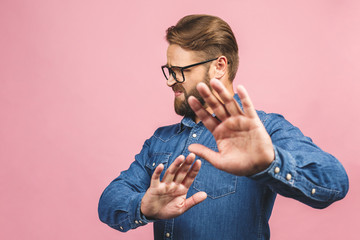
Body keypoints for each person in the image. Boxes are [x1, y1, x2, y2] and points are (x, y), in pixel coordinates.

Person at [98, 14, 349, 239]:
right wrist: (142, 207)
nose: (170, 81)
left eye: (179, 71)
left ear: (219, 66)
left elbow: (334, 182)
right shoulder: (161, 141)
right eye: (169, 70)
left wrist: (270, 162)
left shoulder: (264, 130)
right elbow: (109, 201)